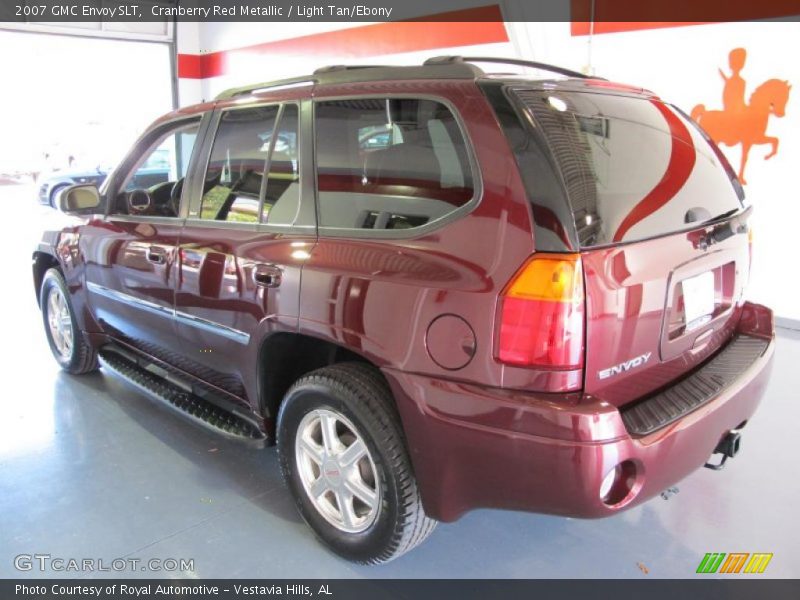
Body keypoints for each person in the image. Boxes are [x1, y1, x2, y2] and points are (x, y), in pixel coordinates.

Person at [718, 48, 747, 113]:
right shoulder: (740, 81)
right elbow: (731, 98)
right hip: (732, 109)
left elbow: (740, 98)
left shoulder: (741, 81)